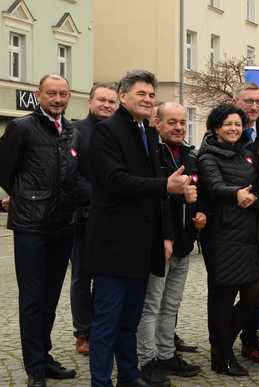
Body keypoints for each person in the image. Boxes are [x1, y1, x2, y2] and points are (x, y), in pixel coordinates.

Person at [87, 70, 194, 387]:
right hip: (112, 246)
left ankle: (130, 376)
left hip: (142, 246)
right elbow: (114, 181)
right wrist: (165, 185)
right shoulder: (107, 131)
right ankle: (101, 381)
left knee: (130, 320)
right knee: (107, 321)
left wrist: (164, 235)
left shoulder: (146, 132)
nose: (148, 99)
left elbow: (157, 196)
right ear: (122, 96)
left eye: (151, 95)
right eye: (141, 94)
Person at [0, 74, 83, 387]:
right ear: (39, 94)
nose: (58, 99)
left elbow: (75, 175)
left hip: (63, 224)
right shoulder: (22, 128)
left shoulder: (72, 130)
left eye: (63, 93)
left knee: (50, 296)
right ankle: (35, 367)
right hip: (31, 225)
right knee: (33, 298)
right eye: (52, 93)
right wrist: (24, 196)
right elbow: (5, 170)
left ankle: (45, 356)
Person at [136, 102, 205, 385]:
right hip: (160, 243)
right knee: (151, 305)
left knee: (171, 305)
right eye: (171, 122)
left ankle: (166, 354)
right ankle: (147, 360)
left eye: (181, 122)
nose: (178, 127)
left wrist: (199, 213)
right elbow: (156, 198)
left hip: (184, 243)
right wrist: (164, 235)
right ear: (157, 123)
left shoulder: (189, 155)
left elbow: (195, 194)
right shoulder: (152, 153)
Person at [198, 103, 259, 377]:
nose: (233, 128)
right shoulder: (207, 155)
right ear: (216, 127)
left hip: (249, 235)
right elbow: (214, 187)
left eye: (237, 124)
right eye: (228, 124)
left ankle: (223, 346)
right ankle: (222, 355)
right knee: (222, 299)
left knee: (253, 296)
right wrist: (237, 194)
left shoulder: (247, 154)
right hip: (222, 235)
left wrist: (256, 199)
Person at [71, 83, 118, 355]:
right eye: (102, 100)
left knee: (107, 279)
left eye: (112, 101)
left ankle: (103, 330)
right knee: (81, 278)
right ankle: (83, 332)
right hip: (85, 217)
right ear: (90, 102)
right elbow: (71, 174)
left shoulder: (119, 133)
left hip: (114, 218)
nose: (107, 105)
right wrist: (101, 194)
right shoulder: (77, 132)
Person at [232, 82, 259, 362]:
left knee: (254, 288)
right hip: (230, 221)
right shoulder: (224, 129)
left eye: (257, 101)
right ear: (236, 101)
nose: (253, 106)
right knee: (224, 289)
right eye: (248, 101)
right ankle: (219, 340)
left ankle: (250, 340)